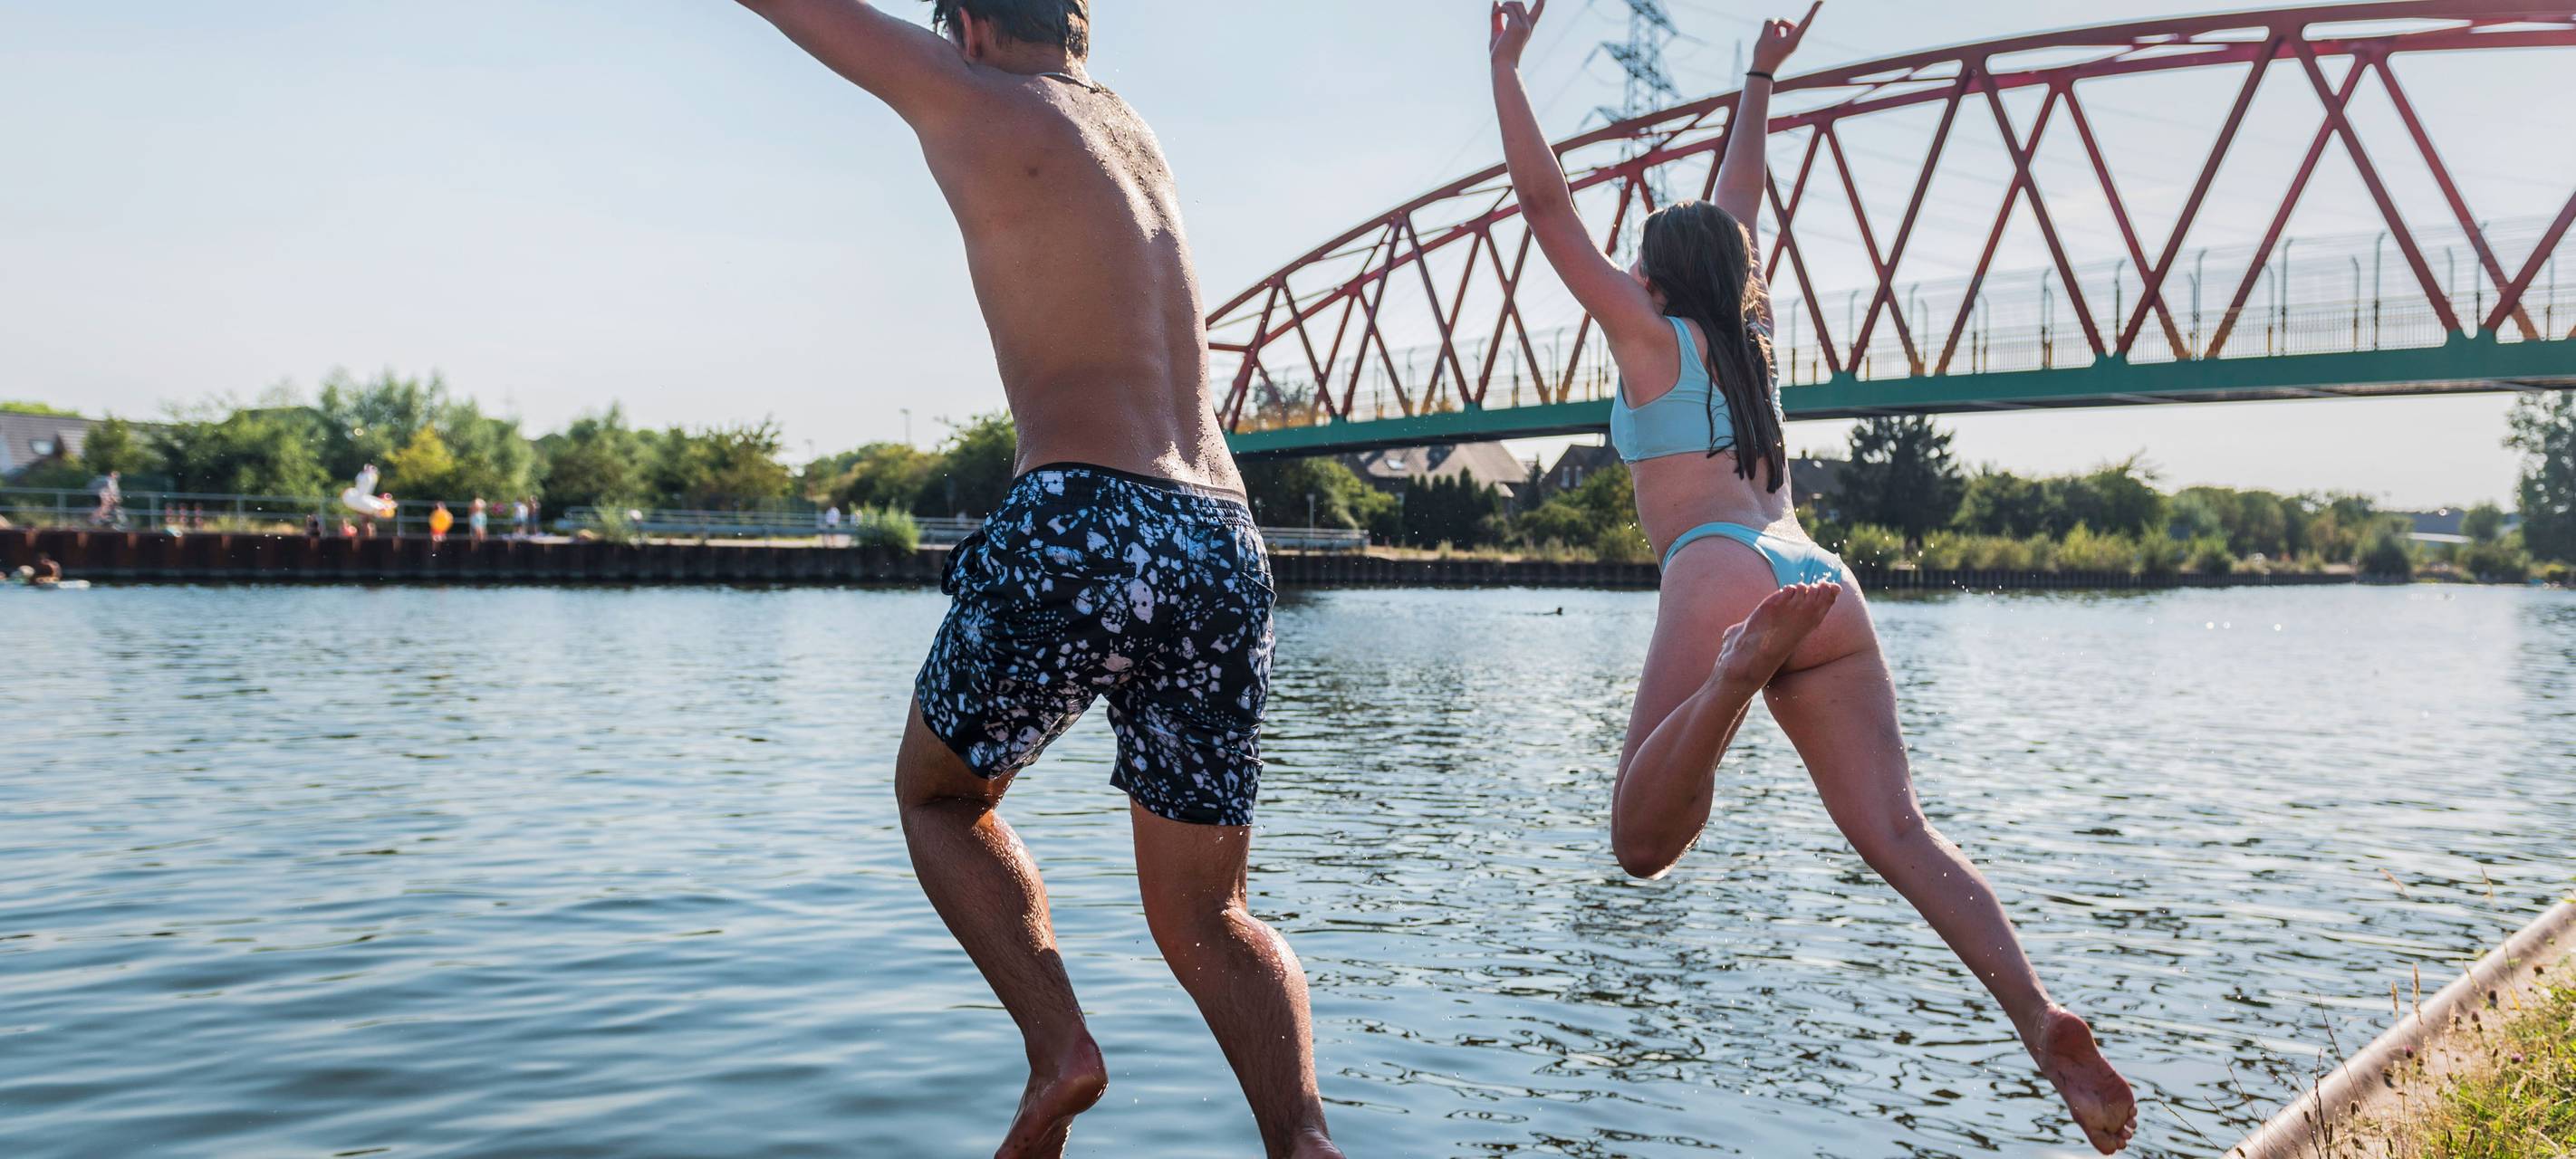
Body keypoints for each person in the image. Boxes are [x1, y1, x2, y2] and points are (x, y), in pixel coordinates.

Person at [1488, 3, 2137, 1153]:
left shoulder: (1649, 334)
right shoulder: (1754, 337)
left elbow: (1546, 210)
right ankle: (2038, 1014)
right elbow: (1741, 204)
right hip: (1816, 569)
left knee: (1642, 842)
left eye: (1638, 261)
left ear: (1653, 276)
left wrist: (1504, 67)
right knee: (1898, 828)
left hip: (1721, 571)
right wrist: (1757, 76)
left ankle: (1736, 681)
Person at [728, 4, 1341, 1157]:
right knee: (1210, 910)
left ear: (964, 22)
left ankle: (1060, 1047)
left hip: (1086, 513)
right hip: (1221, 534)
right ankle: (1303, 1140)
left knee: (939, 798)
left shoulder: (974, 92)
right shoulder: (1133, 132)